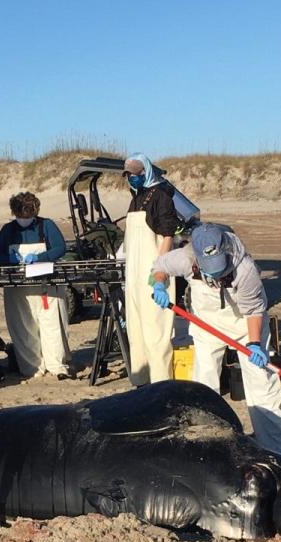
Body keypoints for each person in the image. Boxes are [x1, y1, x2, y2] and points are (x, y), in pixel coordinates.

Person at [151, 223, 281, 456]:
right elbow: (161, 265)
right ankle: (207, 444)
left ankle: (276, 450)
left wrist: (255, 344)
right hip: (206, 324)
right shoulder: (185, 258)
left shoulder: (245, 269)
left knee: (261, 384)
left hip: (245, 325)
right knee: (204, 383)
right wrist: (158, 283)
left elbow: (254, 311)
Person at [0, 191, 72, 379]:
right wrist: (11, 259)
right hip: (18, 288)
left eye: (28, 216)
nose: (24, 219)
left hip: (47, 285)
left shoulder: (47, 225)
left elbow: (60, 248)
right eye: (20, 216)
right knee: (23, 327)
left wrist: (40, 258)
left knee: (52, 324)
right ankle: (32, 367)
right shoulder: (8, 230)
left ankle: (56, 365)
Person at [122, 153, 185, 386]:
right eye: (128, 176)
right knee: (136, 328)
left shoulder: (161, 197)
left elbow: (168, 236)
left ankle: (161, 383)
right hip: (133, 274)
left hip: (154, 271)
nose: (131, 179)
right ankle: (140, 380)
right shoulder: (136, 199)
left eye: (135, 175)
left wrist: (159, 271)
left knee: (156, 329)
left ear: (145, 173)